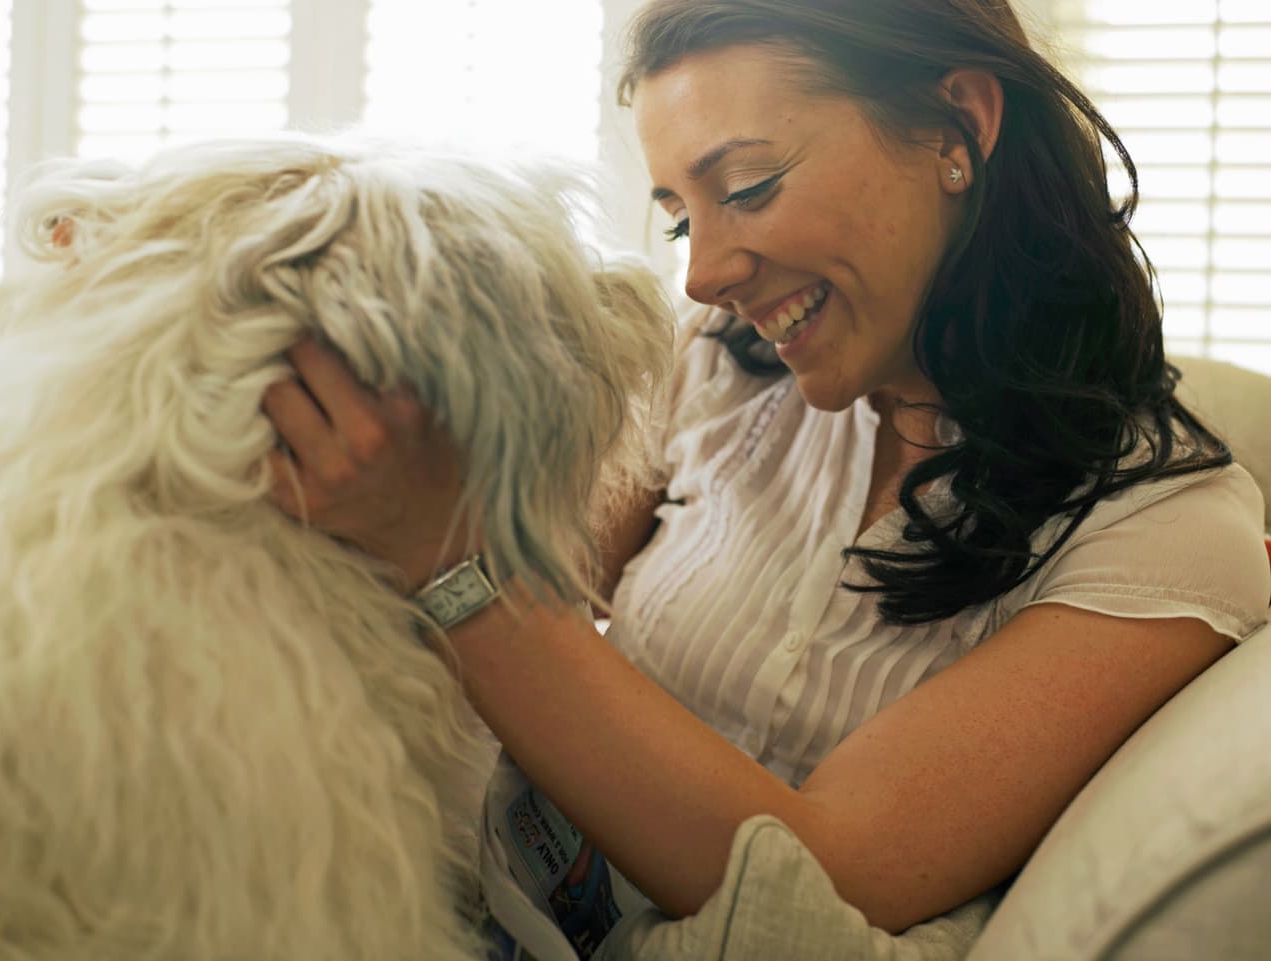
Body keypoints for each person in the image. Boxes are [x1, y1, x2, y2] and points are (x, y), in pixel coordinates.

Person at [261, 0, 1270, 936]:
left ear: (952, 125)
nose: (701, 271)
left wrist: (453, 561)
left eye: (747, 187)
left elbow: (816, 874)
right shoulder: (713, 362)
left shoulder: (1164, 532)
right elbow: (533, 571)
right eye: (678, 215)